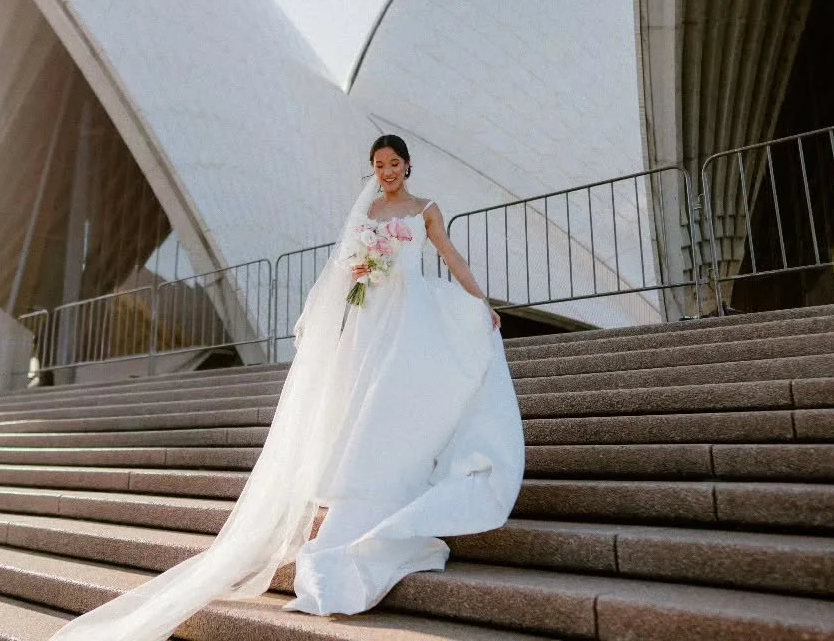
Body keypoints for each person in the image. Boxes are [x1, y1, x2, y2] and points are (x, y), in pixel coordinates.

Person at [49, 134, 525, 640]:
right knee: (367, 404)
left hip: (410, 316)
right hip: (370, 321)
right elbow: (346, 272)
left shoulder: (426, 209)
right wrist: (360, 271)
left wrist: (482, 302)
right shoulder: (364, 215)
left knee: (399, 403)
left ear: (408, 165)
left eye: (393, 164)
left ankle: (395, 489)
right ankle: (365, 509)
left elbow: (449, 255)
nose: (386, 172)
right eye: (377, 165)